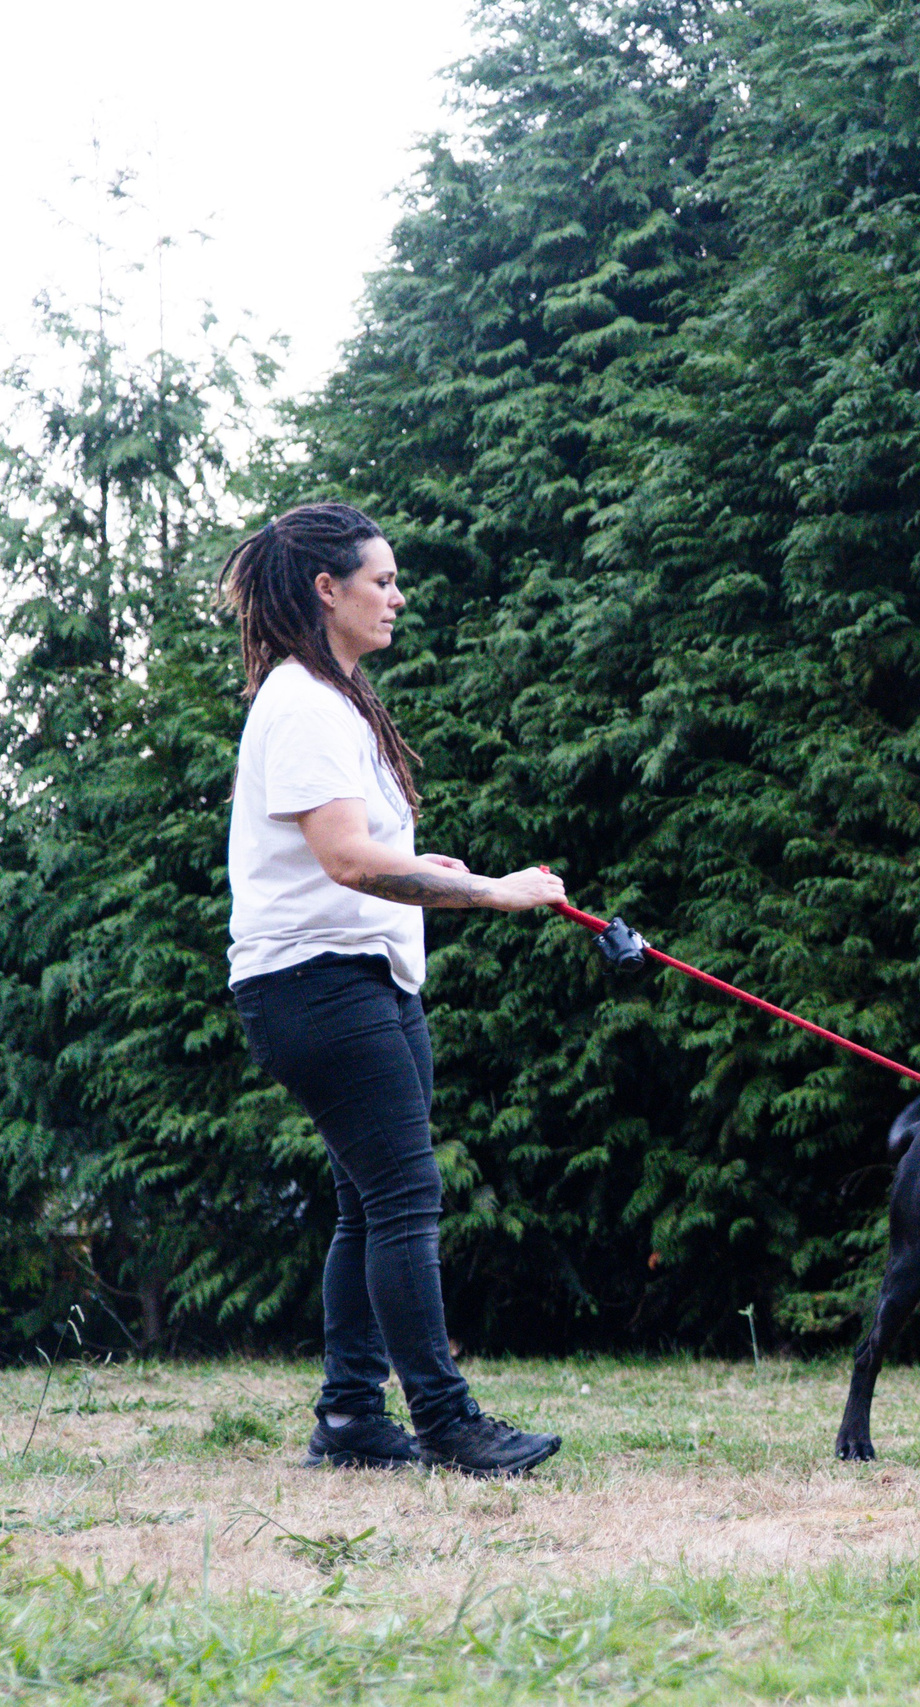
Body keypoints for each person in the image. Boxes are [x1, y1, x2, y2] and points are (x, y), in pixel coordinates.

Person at [222, 503, 567, 1476]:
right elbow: (345, 862)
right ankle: (446, 1422)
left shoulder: (333, 701)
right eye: (382, 580)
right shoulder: (300, 703)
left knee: (371, 1205)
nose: (397, 596)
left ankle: (350, 1421)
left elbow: (358, 850)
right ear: (326, 591)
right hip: (318, 987)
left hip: (356, 977)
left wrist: (428, 864)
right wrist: (490, 892)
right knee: (405, 1199)